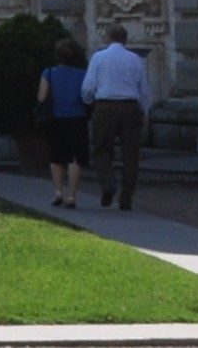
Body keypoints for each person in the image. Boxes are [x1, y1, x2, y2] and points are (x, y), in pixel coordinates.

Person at [84, 25, 151, 213]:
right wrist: (145, 111)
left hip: (105, 105)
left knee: (102, 149)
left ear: (108, 38)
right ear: (125, 39)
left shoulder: (98, 57)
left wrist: (89, 101)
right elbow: (143, 88)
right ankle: (127, 195)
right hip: (130, 106)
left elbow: (88, 86)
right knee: (131, 153)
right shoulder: (135, 59)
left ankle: (108, 183)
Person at [37, 35, 92, 210]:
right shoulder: (83, 74)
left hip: (56, 119)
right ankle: (72, 195)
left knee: (56, 158)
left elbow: (41, 97)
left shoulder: (49, 73)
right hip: (77, 118)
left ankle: (58, 191)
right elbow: (88, 96)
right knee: (75, 159)